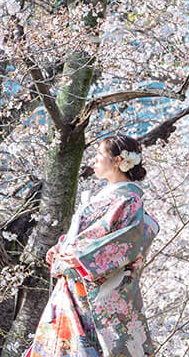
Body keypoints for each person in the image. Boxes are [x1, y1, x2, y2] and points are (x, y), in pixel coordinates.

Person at [23, 134, 159, 357]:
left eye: (99, 154)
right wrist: (62, 247)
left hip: (94, 288)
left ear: (117, 161)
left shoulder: (129, 200)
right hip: (74, 284)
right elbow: (85, 234)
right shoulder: (103, 197)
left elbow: (127, 240)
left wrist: (85, 257)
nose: (93, 160)